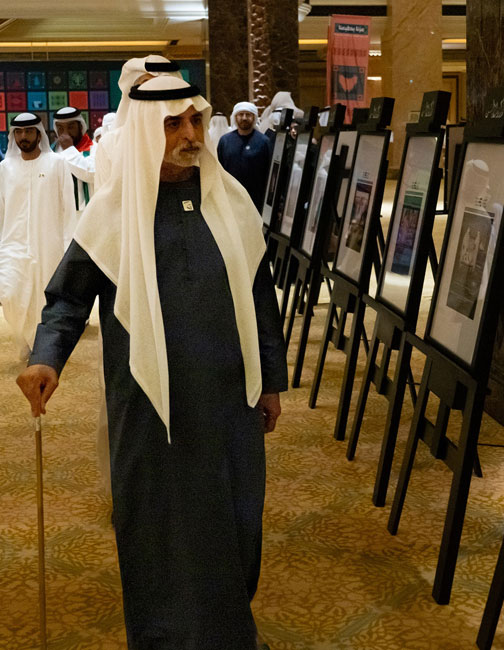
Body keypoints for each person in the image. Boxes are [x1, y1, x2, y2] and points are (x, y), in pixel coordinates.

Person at [16, 76, 286, 649]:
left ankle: (231, 635)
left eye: (195, 120)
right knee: (159, 527)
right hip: (149, 405)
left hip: (229, 402)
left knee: (235, 521)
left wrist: (271, 382)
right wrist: (46, 358)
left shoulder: (232, 203)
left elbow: (261, 299)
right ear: (143, 132)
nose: (190, 135)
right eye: (173, 124)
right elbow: (67, 301)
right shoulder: (113, 215)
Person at [0, 113, 76, 360]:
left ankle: (37, 346)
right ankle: (24, 334)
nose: (24, 136)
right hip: (12, 244)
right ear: (13, 136)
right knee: (9, 293)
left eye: (28, 131)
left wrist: (68, 247)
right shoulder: (5, 169)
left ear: (38, 133)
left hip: (48, 244)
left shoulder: (56, 164)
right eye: (19, 132)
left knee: (42, 297)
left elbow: (68, 208)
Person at [93, 56, 183, 189]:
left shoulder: (190, 138)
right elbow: (104, 198)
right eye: (146, 85)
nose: (155, 93)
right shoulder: (110, 144)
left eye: (161, 85)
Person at [217, 101, 273, 211]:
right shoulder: (225, 141)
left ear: (254, 117)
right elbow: (219, 169)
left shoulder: (264, 141)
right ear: (235, 117)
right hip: (231, 199)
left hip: (256, 200)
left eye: (248, 115)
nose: (244, 118)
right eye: (240, 114)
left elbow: (269, 171)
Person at [54, 106, 96, 214]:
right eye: (60, 128)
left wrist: (69, 150)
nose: (65, 133)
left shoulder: (95, 149)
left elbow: (92, 174)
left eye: (71, 127)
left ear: (81, 127)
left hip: (88, 214)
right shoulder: (52, 152)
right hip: (62, 215)